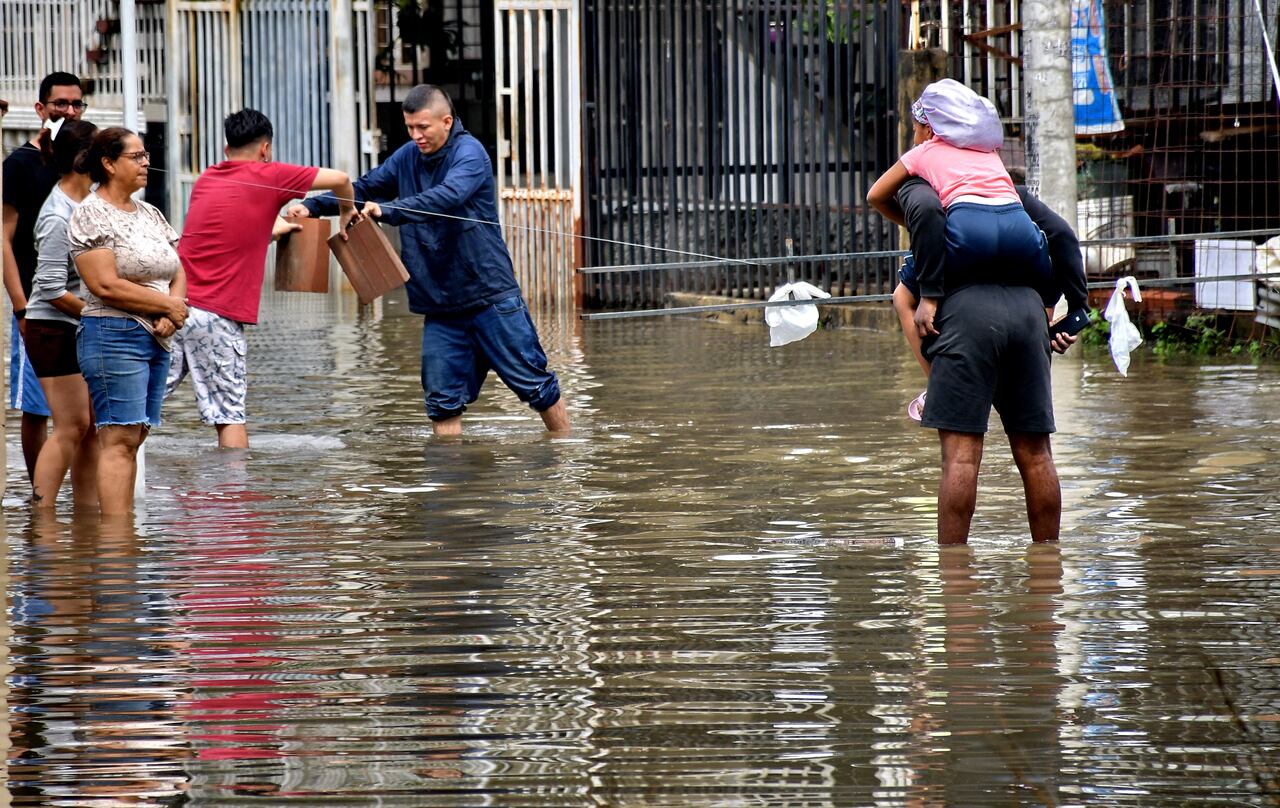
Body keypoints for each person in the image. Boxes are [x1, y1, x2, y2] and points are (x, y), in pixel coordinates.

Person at [289, 84, 570, 436]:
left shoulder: (470, 154)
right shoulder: (407, 157)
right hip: (440, 305)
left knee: (536, 388)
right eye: (410, 128)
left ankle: (565, 455)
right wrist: (314, 206)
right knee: (441, 403)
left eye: (423, 127)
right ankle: (449, 486)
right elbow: (365, 187)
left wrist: (390, 210)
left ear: (447, 121)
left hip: (490, 297)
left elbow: (447, 196)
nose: (416, 136)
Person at [164, 108, 359, 449]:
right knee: (230, 418)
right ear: (266, 149)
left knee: (137, 411)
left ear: (227, 149)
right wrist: (345, 212)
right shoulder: (270, 174)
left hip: (173, 308)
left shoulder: (208, 178)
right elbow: (342, 179)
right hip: (217, 317)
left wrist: (273, 229)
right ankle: (233, 499)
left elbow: (229, 230)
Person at [867, 78, 1052, 340]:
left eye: (915, 130)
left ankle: (933, 375)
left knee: (902, 297)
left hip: (969, 232)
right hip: (1022, 235)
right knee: (1044, 277)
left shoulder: (923, 152)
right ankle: (1049, 320)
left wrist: (910, 223)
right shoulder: (990, 154)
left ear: (930, 131)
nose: (914, 138)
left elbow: (875, 195)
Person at [69, 128, 188, 515]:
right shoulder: (90, 213)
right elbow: (104, 284)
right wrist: (166, 307)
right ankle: (116, 544)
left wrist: (173, 309)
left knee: (136, 436)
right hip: (112, 333)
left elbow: (177, 268)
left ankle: (122, 541)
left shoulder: (150, 212)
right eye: (136, 157)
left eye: (145, 155)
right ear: (108, 163)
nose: (146, 162)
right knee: (118, 438)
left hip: (156, 336)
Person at [3, 71, 86, 481]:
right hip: (38, 304)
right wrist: (20, 307)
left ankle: (77, 503)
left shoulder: (84, 167)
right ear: (41, 109)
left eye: (76, 104)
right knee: (35, 405)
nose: (68, 111)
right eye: (60, 104)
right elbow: (4, 238)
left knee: (82, 409)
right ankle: (40, 496)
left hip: (85, 303)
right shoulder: (20, 164)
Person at [26, 118, 100, 508]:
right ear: (87, 159)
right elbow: (52, 290)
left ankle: (88, 518)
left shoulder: (90, 203)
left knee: (92, 431)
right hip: (54, 327)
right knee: (72, 426)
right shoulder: (58, 215)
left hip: (80, 324)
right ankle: (43, 515)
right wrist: (101, 311)